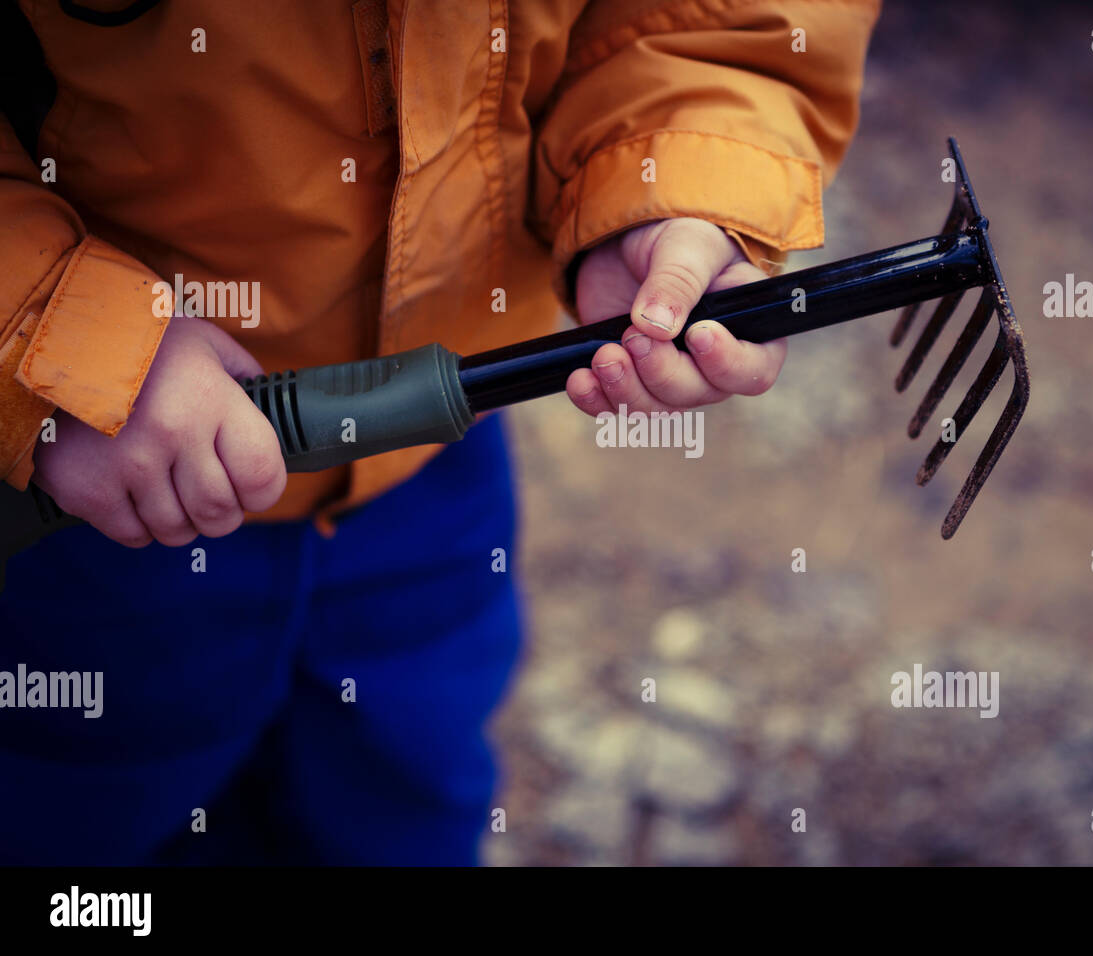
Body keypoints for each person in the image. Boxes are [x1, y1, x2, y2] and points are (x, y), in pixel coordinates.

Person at [0, 0, 879, 864]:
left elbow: (710, 23)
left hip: (430, 469)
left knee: (405, 784)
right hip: (87, 510)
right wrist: (54, 338)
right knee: (77, 809)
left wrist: (663, 182)